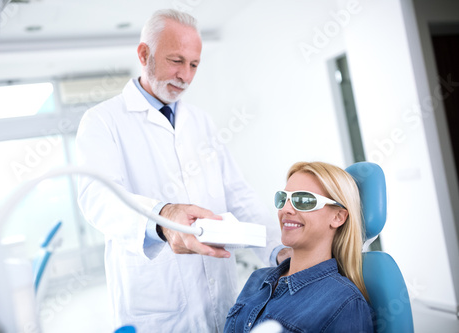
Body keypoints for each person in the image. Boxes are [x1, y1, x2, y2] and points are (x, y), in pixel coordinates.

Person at [76, 9, 288, 332]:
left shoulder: (200, 121)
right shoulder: (102, 121)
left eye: (194, 65)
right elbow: (97, 197)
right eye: (176, 61)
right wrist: (162, 218)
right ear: (144, 54)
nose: (186, 76)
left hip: (220, 296)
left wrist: (277, 249)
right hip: (156, 309)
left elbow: (238, 195)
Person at [224, 161, 374, 333]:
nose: (286, 209)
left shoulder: (345, 303)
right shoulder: (258, 279)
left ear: (338, 217)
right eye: (283, 199)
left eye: (304, 201)